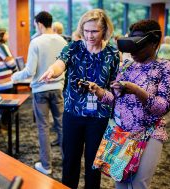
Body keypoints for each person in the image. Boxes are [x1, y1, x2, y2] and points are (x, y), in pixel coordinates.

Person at [88, 19, 170, 189]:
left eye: (137, 46)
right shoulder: (127, 66)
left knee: (138, 184)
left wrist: (136, 90)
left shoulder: (169, 68)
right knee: (120, 181)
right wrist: (100, 92)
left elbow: (163, 107)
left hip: (149, 133)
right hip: (121, 133)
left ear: (154, 42)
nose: (132, 52)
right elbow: (115, 100)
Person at [39, 9, 120, 188]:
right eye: (86, 31)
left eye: (95, 31)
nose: (90, 36)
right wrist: (52, 71)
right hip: (73, 113)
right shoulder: (74, 48)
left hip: (99, 117)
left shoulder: (112, 54)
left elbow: (115, 85)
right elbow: (60, 63)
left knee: (93, 163)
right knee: (70, 160)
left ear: (104, 30)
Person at [11, 11, 67, 175]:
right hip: (58, 88)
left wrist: (15, 76)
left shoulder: (35, 42)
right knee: (61, 126)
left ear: (39, 24)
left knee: (43, 127)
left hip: (40, 90)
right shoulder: (62, 40)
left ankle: (46, 166)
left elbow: (30, 71)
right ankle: (67, 162)